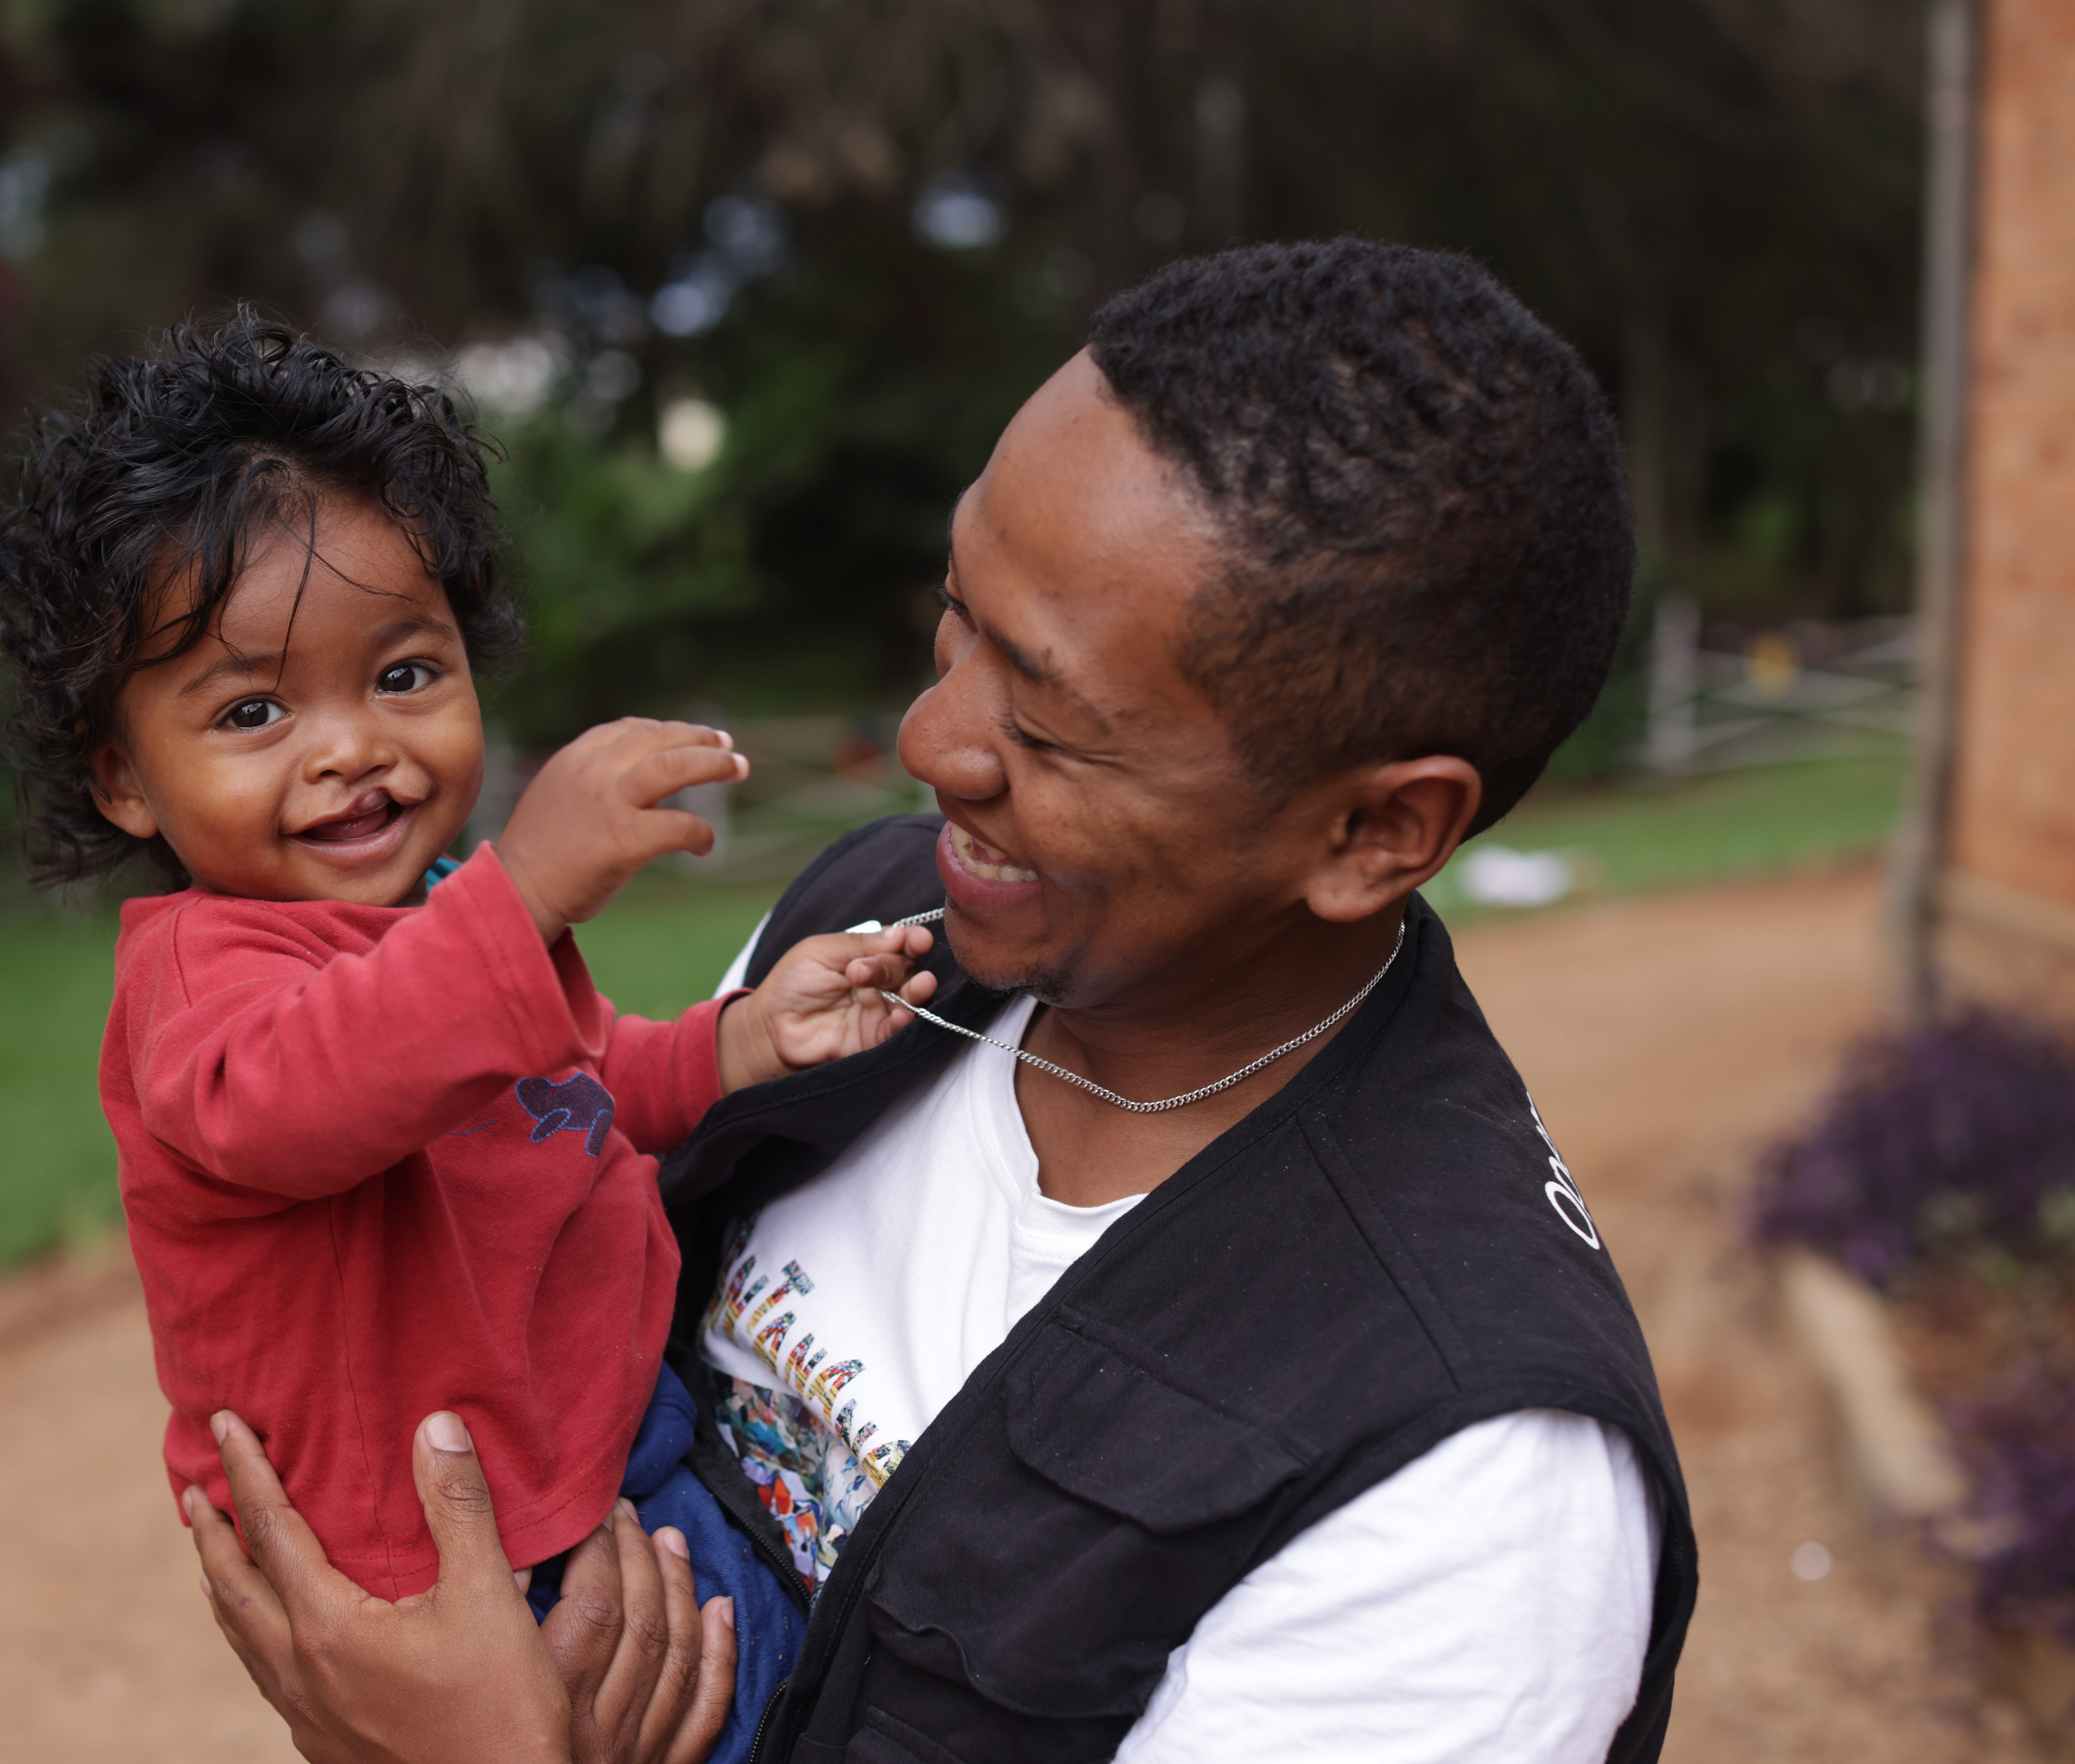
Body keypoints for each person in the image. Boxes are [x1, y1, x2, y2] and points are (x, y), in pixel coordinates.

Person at [182, 240, 1698, 1764]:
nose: (930, 740)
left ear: (1374, 832)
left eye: (1048, 722)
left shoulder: (1467, 1488)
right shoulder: (872, 917)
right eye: (957, 613)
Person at [0, 313, 948, 1762]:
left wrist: (735, 1044)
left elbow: (574, 1084)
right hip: (460, 1579)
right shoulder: (206, 977)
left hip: (608, 1466)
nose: (351, 745)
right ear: (122, 778)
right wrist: (522, 892)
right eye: (253, 709)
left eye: (404, 675)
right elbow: (307, 1096)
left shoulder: (444, 921)